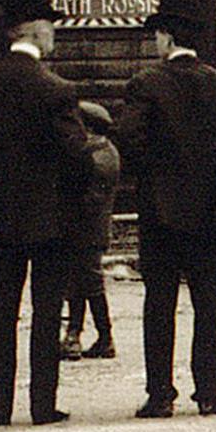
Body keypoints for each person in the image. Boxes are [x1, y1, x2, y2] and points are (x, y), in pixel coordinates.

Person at [114, 0, 216, 419]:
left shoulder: (145, 85)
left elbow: (128, 136)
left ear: (166, 37)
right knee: (209, 302)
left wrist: (153, 172)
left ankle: (160, 394)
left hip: (161, 210)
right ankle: (208, 393)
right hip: (212, 208)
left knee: (159, 303)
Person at [0, 0, 86, 427]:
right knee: (47, 310)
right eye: (51, 26)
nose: (55, 36)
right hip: (49, 217)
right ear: (36, 30)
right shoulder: (57, 90)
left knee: (2, 309)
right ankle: (41, 404)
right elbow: (76, 155)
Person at [59, 101, 121, 358]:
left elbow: (92, 198)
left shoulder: (98, 154)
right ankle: (79, 335)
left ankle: (98, 336)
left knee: (90, 282)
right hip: (87, 227)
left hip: (88, 227)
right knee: (79, 281)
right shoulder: (100, 150)